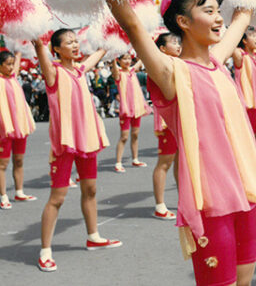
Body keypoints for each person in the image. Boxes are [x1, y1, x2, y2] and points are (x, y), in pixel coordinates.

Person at [107, 0, 256, 286]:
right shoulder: (173, 73)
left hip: (247, 193)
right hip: (211, 203)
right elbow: (132, 25)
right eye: (208, 11)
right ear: (183, 21)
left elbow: (240, 19)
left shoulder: (216, 63)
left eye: (218, 11)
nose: (219, 18)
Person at [33, 29, 120, 273]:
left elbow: (101, 52)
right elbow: (41, 51)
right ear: (56, 49)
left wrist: (115, 36)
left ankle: (93, 236)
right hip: (65, 143)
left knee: (90, 189)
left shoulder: (80, 70)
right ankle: (45, 251)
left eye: (75, 41)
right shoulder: (53, 73)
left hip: (86, 141)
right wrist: (37, 43)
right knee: (57, 198)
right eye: (68, 42)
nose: (74, 45)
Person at [0, 51, 37, 210]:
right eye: (7, 64)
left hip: (19, 126)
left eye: (12, 64)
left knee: (19, 160)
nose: (11, 67)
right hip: (4, 128)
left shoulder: (13, 77)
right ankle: (3, 195)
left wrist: (20, 44)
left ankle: (19, 191)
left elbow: (18, 55)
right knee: (3, 164)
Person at [152, 32, 181, 220]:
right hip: (167, 120)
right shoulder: (158, 65)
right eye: (173, 42)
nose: (178, 45)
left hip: (181, 118)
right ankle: (160, 205)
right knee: (165, 162)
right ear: (162, 49)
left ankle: (184, 199)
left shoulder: (179, 63)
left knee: (180, 161)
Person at [111, 54, 151, 173]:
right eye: (124, 59)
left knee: (135, 134)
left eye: (129, 58)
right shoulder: (118, 73)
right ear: (119, 60)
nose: (127, 61)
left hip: (137, 107)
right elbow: (114, 70)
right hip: (126, 109)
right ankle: (118, 162)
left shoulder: (132, 70)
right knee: (124, 136)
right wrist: (113, 57)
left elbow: (142, 58)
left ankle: (135, 159)